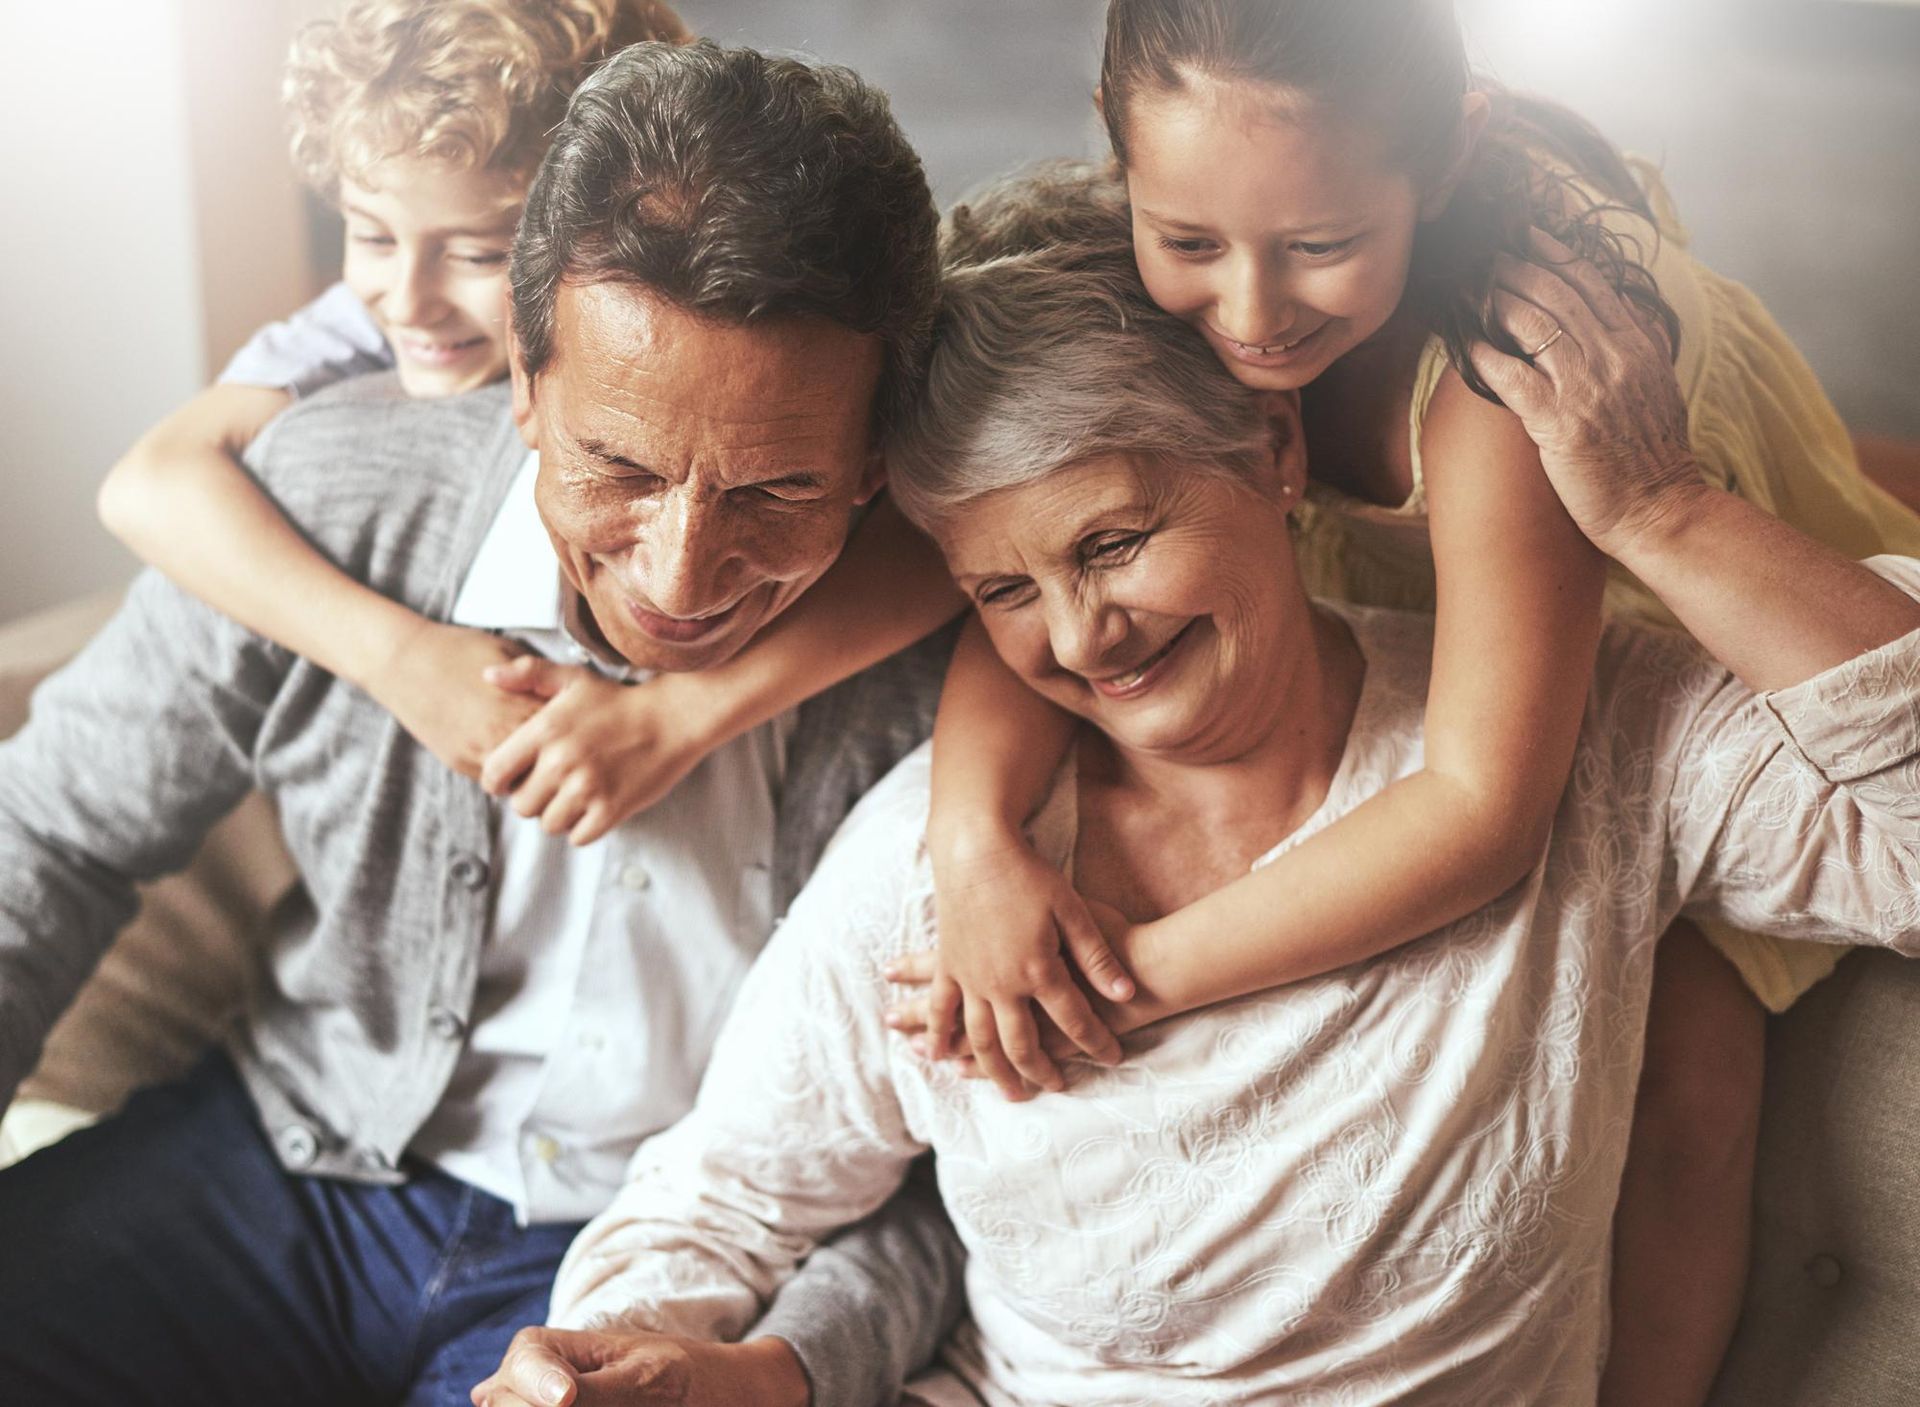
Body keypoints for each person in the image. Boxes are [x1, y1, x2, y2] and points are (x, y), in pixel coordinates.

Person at [474, 170, 1920, 1407]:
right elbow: (716, 1198)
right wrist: (604, 1351)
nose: (1083, 635)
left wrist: (1658, 507)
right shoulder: (940, 869)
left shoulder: (1587, 740)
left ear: (1275, 451)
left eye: (1112, 542)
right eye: (1002, 589)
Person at [912, 4, 1920, 1399]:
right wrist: (975, 851)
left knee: (1678, 1040)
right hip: (1419, 603)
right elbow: (1012, 571)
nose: (1252, 314)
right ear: (1122, 157)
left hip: (1661, 599)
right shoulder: (1174, 251)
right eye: (1191, 242)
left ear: (1444, 162)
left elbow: (1480, 810)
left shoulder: (1504, 368)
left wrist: (1133, 978)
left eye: (1322, 246)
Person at [0, 42, 966, 1407]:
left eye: (775, 491)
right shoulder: (334, 490)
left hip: (662, 1260)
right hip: (290, 1165)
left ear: (877, 454)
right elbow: (47, 830)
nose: (681, 582)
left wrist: (799, 1359)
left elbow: (960, 1162)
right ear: (520, 379)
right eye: (614, 467)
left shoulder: (962, 677)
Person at [96, 0, 963, 845]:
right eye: (370, 236)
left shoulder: (841, 342)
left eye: (477, 250)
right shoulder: (339, 401)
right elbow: (152, 482)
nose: (408, 301)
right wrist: (400, 657)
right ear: (527, 353)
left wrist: (684, 713)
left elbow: (961, 534)